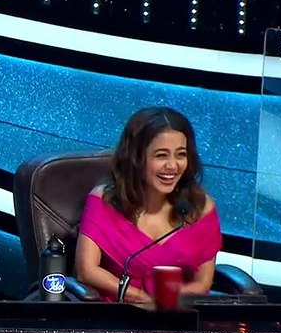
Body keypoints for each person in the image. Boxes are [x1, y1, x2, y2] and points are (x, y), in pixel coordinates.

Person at [75, 107, 221, 303]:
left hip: (179, 311)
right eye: (161, 155)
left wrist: (163, 303)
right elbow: (86, 271)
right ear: (136, 158)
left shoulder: (200, 207)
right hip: (120, 311)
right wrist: (140, 298)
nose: (172, 166)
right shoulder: (104, 201)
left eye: (180, 155)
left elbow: (202, 283)